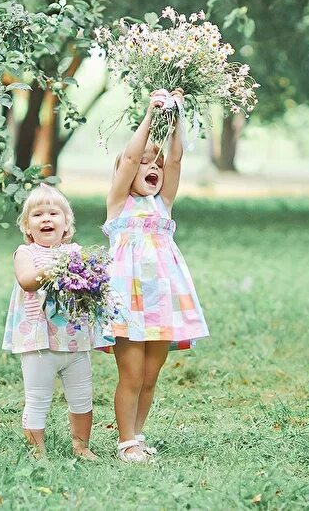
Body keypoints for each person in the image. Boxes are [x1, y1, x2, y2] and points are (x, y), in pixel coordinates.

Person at [102, 88, 210, 462]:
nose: (152, 167)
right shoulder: (119, 205)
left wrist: (176, 115)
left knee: (150, 376)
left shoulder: (163, 204)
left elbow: (176, 159)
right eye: (144, 164)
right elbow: (131, 155)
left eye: (156, 165)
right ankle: (125, 441)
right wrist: (151, 114)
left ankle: (138, 435)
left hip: (162, 301)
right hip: (127, 305)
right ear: (125, 172)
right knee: (131, 375)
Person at [3, 184, 100, 459]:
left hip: (74, 337)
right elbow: (27, 281)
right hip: (37, 338)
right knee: (37, 397)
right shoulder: (26, 253)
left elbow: (90, 286)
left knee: (82, 397)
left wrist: (91, 274)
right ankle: (36, 451)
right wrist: (57, 268)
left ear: (66, 224)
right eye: (37, 215)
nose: (46, 218)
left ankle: (81, 445)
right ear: (27, 226)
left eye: (54, 213)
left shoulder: (76, 253)